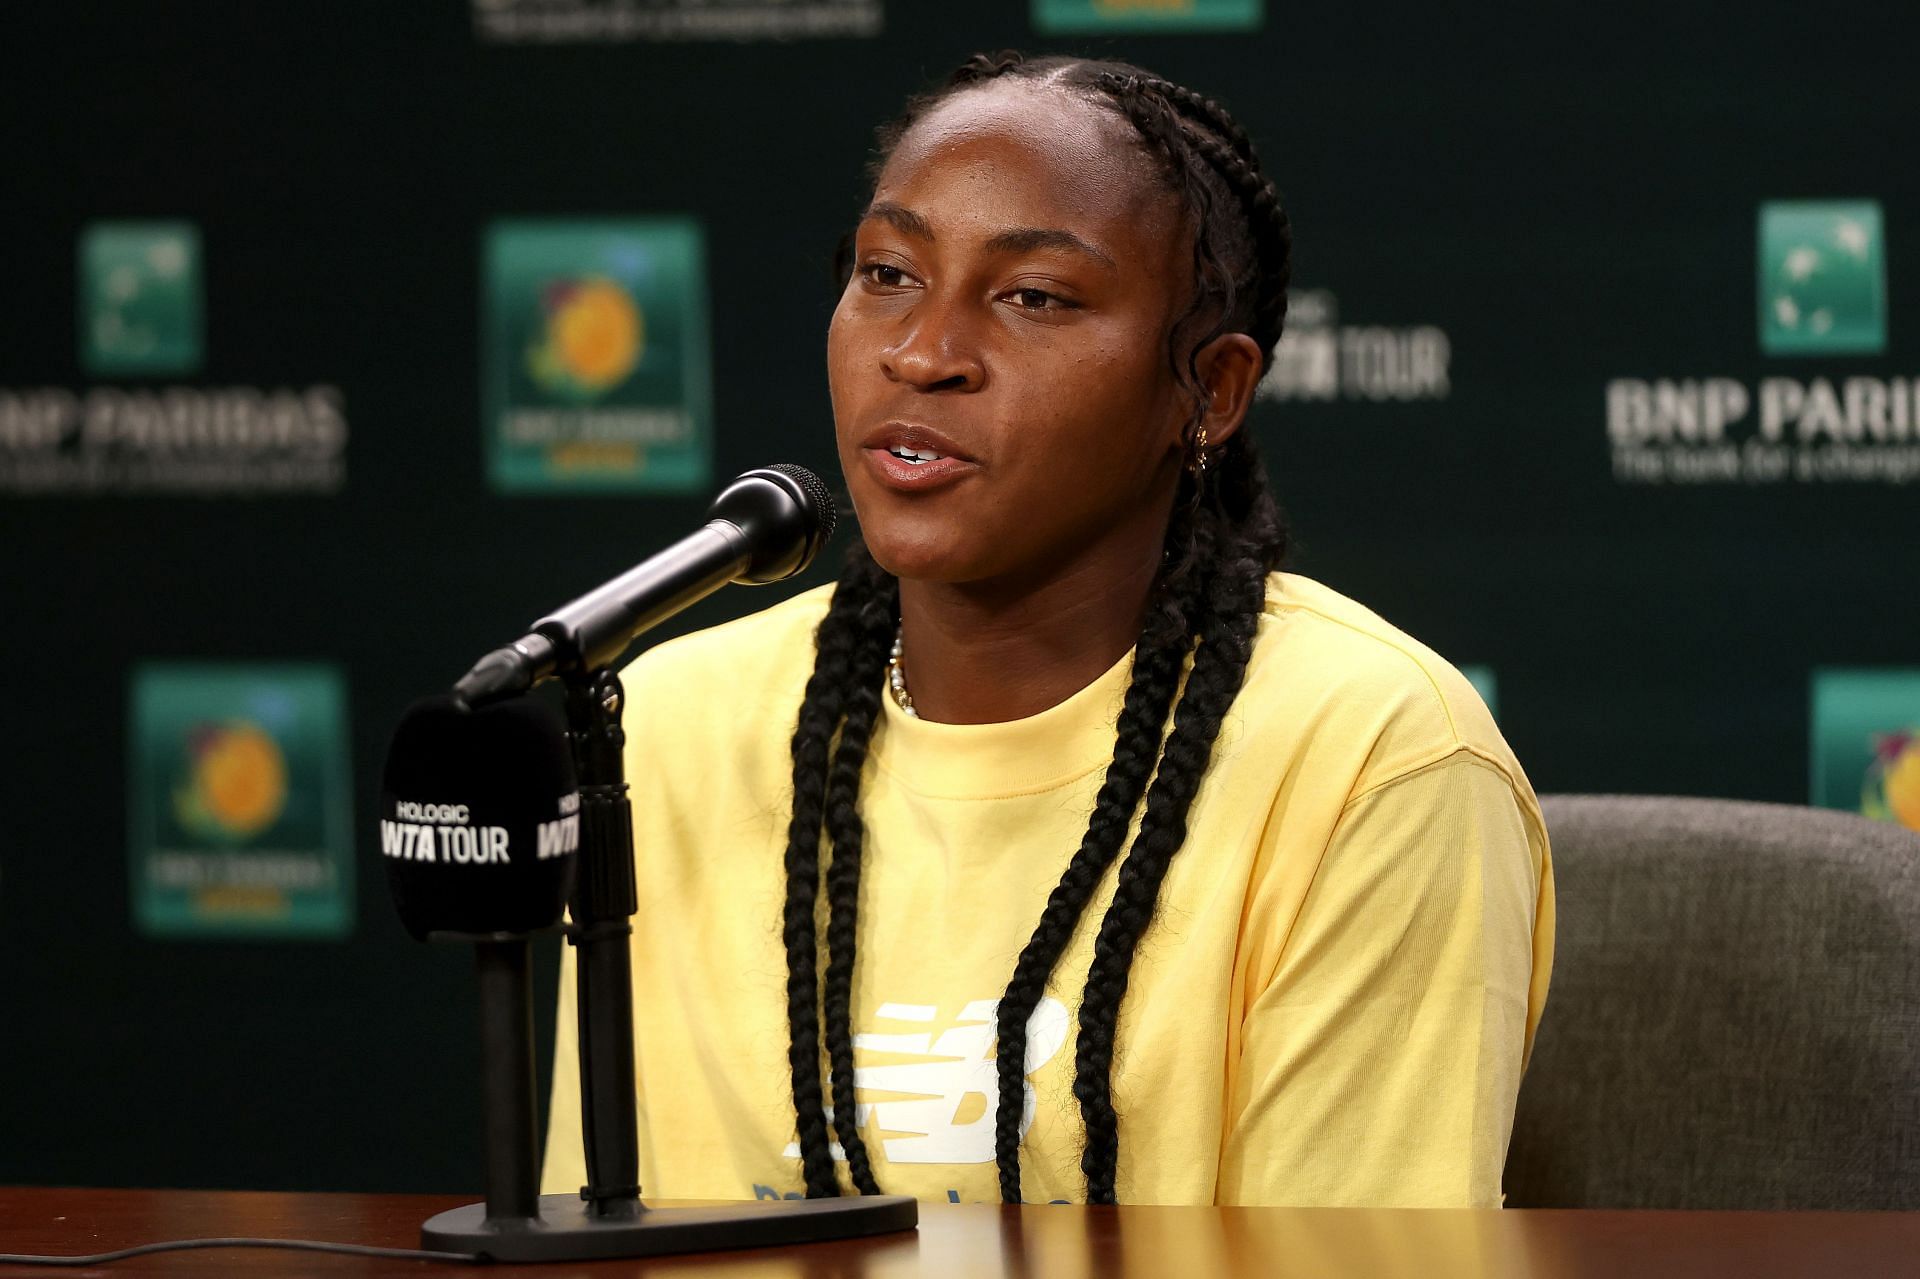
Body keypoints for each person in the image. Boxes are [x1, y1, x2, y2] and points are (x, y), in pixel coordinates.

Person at [542, 50, 1553, 1208]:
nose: (922, 353)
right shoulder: (667, 729)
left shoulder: (1376, 760)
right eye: (886, 272)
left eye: (1034, 297)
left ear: (1210, 391)